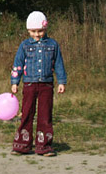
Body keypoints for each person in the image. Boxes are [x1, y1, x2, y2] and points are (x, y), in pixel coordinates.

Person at [9, 11, 67, 156]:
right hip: (29, 84)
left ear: (45, 29)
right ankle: (22, 144)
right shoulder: (24, 45)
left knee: (45, 115)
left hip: (46, 85)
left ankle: (44, 146)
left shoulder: (53, 45)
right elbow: (18, 64)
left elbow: (59, 63)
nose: (37, 34)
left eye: (40, 31)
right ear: (28, 30)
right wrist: (15, 82)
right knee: (27, 113)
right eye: (33, 31)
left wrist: (61, 81)